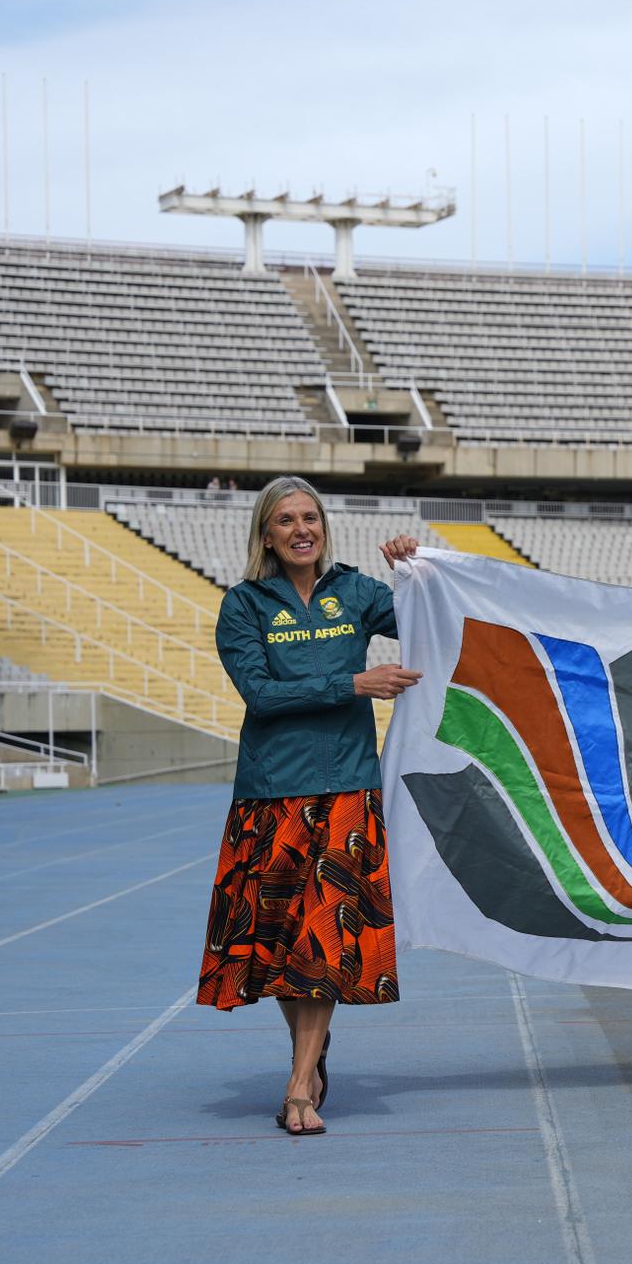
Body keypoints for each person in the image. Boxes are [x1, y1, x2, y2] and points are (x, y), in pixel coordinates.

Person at [201, 475, 423, 1136]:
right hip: (271, 791)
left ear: (324, 527)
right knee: (279, 946)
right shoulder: (243, 606)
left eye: (312, 518)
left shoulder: (356, 591)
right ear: (265, 534)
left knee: (323, 940)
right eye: (287, 519)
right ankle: (312, 1049)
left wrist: (413, 571)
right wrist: (353, 682)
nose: (303, 528)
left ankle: (300, 1084)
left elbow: (441, 619)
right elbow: (263, 695)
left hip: (349, 791)